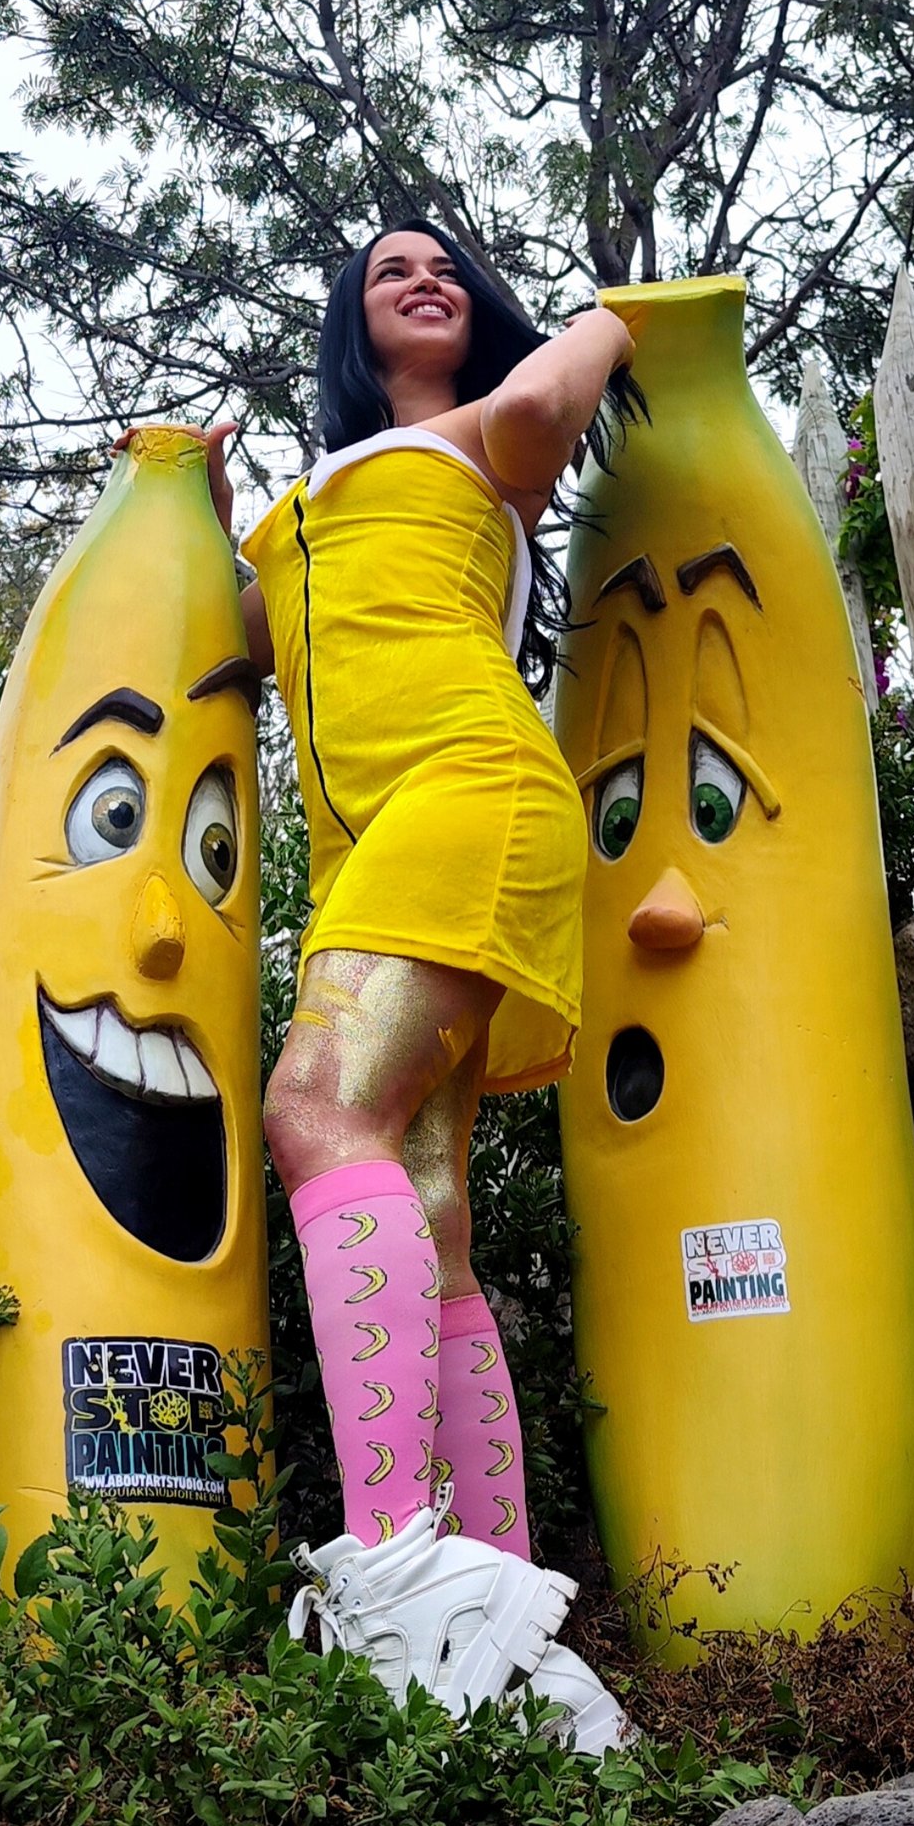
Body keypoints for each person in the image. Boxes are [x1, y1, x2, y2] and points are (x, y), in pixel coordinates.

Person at [203, 221, 638, 1747]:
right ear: (352, 317)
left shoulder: (485, 443)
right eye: (391, 268)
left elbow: (543, 407)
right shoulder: (310, 502)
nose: (424, 276)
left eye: (448, 265)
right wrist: (204, 517)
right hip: (362, 848)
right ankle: (500, 1621)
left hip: (467, 790)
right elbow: (232, 640)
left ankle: (399, 1568)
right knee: (430, 1206)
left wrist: (618, 321)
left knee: (318, 1112)